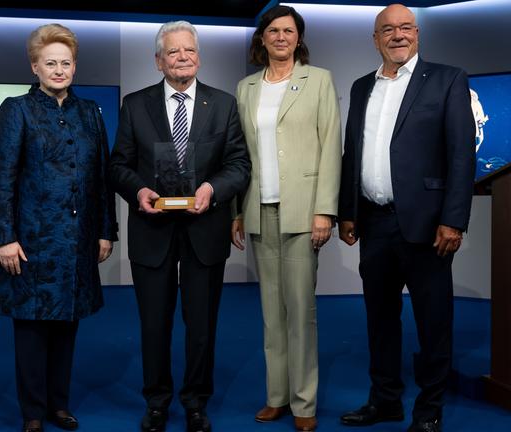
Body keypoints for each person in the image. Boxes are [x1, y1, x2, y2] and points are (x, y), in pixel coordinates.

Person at [337, 4, 475, 432]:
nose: (398, 35)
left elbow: (460, 154)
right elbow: (352, 154)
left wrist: (454, 220)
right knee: (380, 320)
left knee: (434, 323)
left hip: (429, 225)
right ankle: (385, 401)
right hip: (374, 223)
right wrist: (347, 212)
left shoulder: (448, 79)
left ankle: (429, 410)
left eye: (406, 28)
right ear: (375, 39)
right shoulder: (362, 87)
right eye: (387, 30)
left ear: (417, 34)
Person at [108, 20, 251, 432]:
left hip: (205, 229)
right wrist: (138, 192)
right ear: (158, 61)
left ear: (199, 57)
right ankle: (156, 402)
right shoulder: (136, 105)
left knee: (202, 325)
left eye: (189, 50)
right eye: (173, 52)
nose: (183, 57)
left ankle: (195, 401)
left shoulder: (223, 105)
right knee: (154, 325)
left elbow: (239, 165)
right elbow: (118, 165)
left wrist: (211, 188)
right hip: (151, 231)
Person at [0, 23, 118, 432]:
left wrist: (105, 230)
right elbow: (2, 178)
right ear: (35, 66)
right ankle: (32, 412)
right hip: (29, 242)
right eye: (50, 63)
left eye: (65, 63)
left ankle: (58, 405)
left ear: (74, 67)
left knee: (66, 324)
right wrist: (5, 237)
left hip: (76, 242)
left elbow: (101, 176)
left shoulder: (88, 113)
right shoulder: (16, 110)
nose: (58, 70)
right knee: (30, 328)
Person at [231, 5, 341, 432]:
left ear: (299, 38)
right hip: (259, 210)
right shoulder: (246, 87)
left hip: (302, 211)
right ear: (262, 38)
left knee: (301, 311)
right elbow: (240, 156)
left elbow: (331, 144)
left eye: (288, 31)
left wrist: (324, 210)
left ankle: (304, 402)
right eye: (273, 31)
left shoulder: (319, 80)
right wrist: (238, 212)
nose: (280, 37)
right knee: (270, 314)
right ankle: (276, 396)